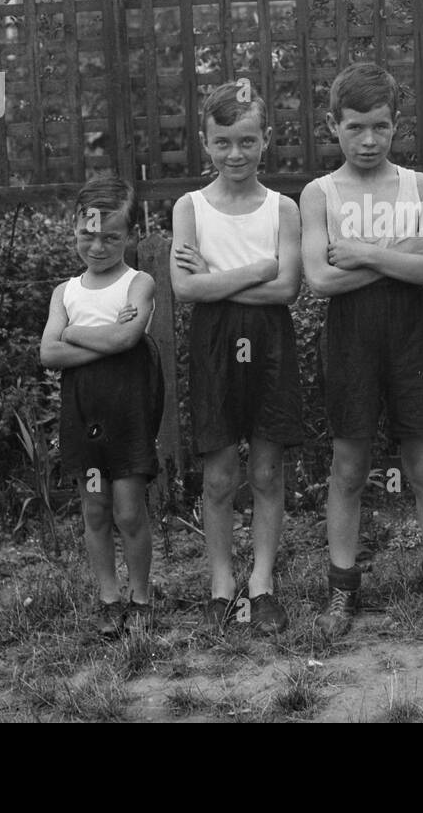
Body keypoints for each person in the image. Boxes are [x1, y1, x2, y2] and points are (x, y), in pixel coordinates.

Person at [300, 62, 423, 637]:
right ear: (332, 126)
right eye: (354, 128)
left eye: (380, 127)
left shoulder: (421, 187)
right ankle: (342, 590)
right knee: (348, 465)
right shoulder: (317, 193)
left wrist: (363, 252)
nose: (368, 140)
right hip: (349, 337)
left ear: (397, 125)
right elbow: (319, 281)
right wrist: (400, 254)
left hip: (410, 333)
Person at [170, 81, 304, 633]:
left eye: (247, 141)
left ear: (266, 141)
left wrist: (217, 279)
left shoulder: (284, 207)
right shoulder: (190, 207)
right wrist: (256, 269)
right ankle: (222, 583)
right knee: (222, 473)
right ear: (206, 143)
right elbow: (185, 290)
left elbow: (287, 288)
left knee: (268, 469)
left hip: (270, 341)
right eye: (223, 142)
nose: (235, 154)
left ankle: (263, 584)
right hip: (213, 344)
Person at [40, 176, 165, 637]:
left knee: (129, 509)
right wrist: (103, 339)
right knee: (95, 507)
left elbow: (128, 338)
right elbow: (48, 354)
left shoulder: (139, 283)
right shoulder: (65, 292)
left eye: (111, 236)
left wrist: (73, 333)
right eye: (87, 235)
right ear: (73, 231)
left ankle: (142, 598)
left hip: (127, 410)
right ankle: (108, 598)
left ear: (130, 236)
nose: (98, 246)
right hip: (82, 410)